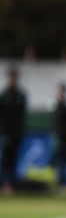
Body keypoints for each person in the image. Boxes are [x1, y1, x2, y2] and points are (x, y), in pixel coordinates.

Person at [0, 65, 27, 195]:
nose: (12, 79)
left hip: (17, 133)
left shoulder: (21, 95)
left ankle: (11, 185)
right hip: (5, 133)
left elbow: (21, 115)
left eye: (14, 76)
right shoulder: (4, 95)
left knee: (13, 160)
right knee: (5, 159)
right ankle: (3, 184)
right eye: (11, 77)